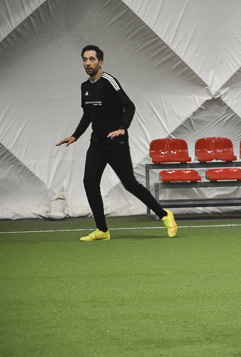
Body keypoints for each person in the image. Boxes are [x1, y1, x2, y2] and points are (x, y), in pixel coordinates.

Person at [56, 45, 177, 241]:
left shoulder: (109, 82)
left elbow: (129, 106)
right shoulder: (85, 87)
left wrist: (122, 128)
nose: (88, 63)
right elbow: (88, 115)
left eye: (92, 59)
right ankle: (102, 231)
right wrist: (75, 135)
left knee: (130, 184)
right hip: (97, 145)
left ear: (100, 62)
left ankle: (164, 215)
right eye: (85, 59)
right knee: (89, 183)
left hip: (116, 144)